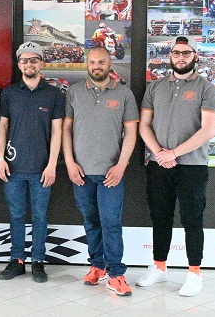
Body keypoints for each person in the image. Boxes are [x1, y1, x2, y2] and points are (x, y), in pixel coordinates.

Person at [136, 36, 215, 297]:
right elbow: (144, 125)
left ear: (195, 56)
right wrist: (160, 153)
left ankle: (194, 274)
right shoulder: (155, 87)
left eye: (186, 53)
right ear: (170, 55)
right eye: (176, 53)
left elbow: (208, 131)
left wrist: (173, 153)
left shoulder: (207, 88)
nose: (180, 57)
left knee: (192, 219)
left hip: (192, 166)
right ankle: (159, 267)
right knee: (160, 217)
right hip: (159, 164)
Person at [62, 46, 138, 296]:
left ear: (109, 64)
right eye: (92, 62)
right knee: (91, 222)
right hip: (81, 173)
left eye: (101, 62)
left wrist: (121, 166)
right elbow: (65, 130)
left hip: (110, 174)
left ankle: (116, 274)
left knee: (111, 223)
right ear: (87, 64)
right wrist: (70, 162)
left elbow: (131, 133)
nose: (96, 66)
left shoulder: (124, 94)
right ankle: (97, 266)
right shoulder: (74, 92)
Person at [0, 42, 64, 283]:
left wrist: (52, 164)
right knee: (16, 215)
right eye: (24, 60)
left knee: (39, 217)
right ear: (18, 64)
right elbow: (3, 126)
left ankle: (37, 261)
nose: (29, 64)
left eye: (34, 59)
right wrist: (0, 158)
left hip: (41, 169)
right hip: (13, 168)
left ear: (41, 63)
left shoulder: (54, 94)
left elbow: (58, 131)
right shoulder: (9, 93)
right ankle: (17, 260)